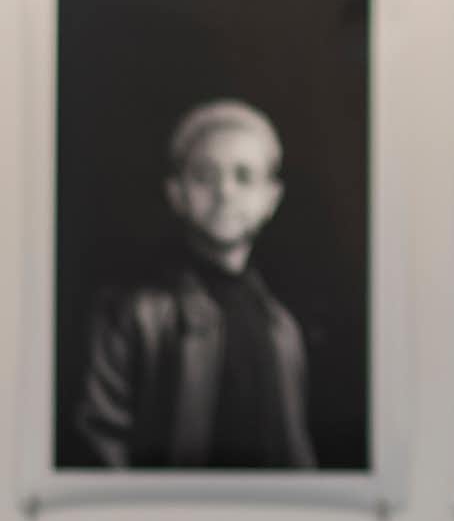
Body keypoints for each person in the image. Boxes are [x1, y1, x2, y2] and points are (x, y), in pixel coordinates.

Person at [70, 101, 315, 471]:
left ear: (271, 198)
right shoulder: (133, 314)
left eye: (244, 176)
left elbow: (296, 456)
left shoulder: (282, 329)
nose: (225, 192)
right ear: (176, 193)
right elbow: (102, 440)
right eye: (205, 175)